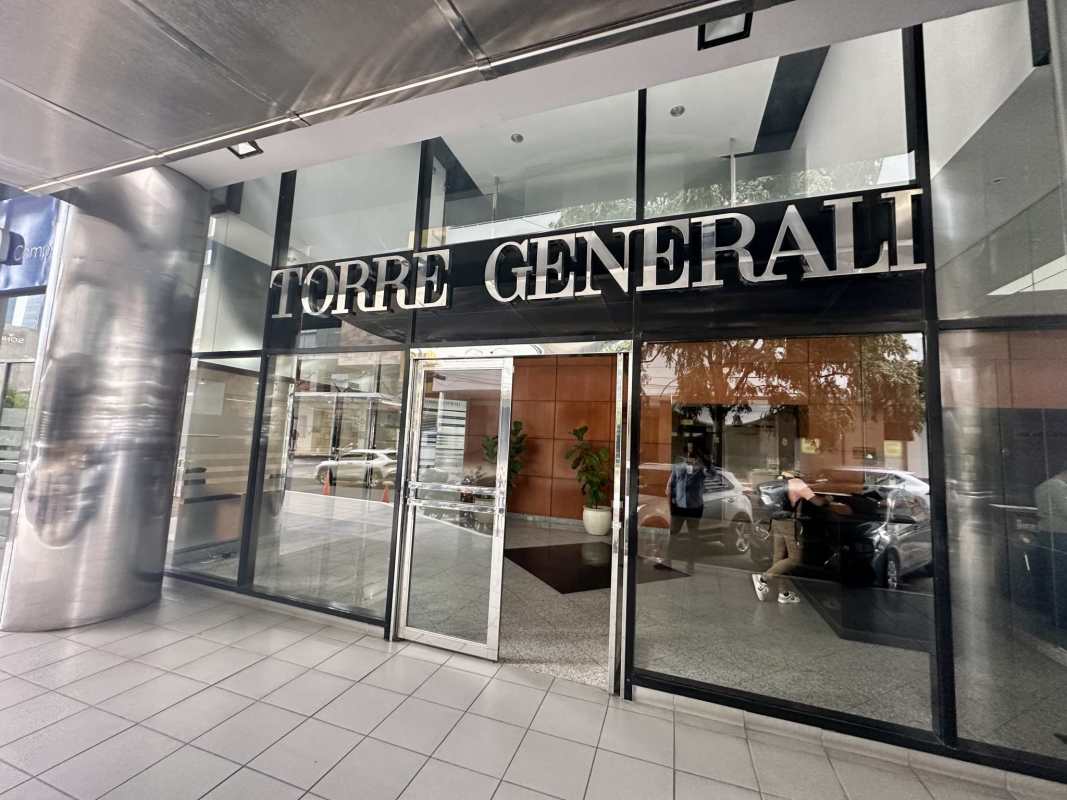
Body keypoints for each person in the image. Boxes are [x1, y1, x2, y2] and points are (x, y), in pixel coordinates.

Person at [752, 471, 826, 604]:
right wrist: (829, 499)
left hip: (776, 521)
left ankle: (783, 593)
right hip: (788, 523)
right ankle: (763, 579)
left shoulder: (779, 482)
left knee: (779, 558)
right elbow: (818, 503)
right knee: (794, 559)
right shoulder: (798, 484)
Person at [659, 454, 706, 570]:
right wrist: (672, 504)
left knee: (693, 536)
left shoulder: (700, 469)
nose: (689, 458)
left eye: (692, 456)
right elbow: (670, 487)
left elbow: (709, 473)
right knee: (673, 535)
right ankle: (667, 561)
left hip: (694, 507)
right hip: (679, 506)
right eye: (687, 456)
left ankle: (691, 564)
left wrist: (698, 464)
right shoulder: (677, 468)